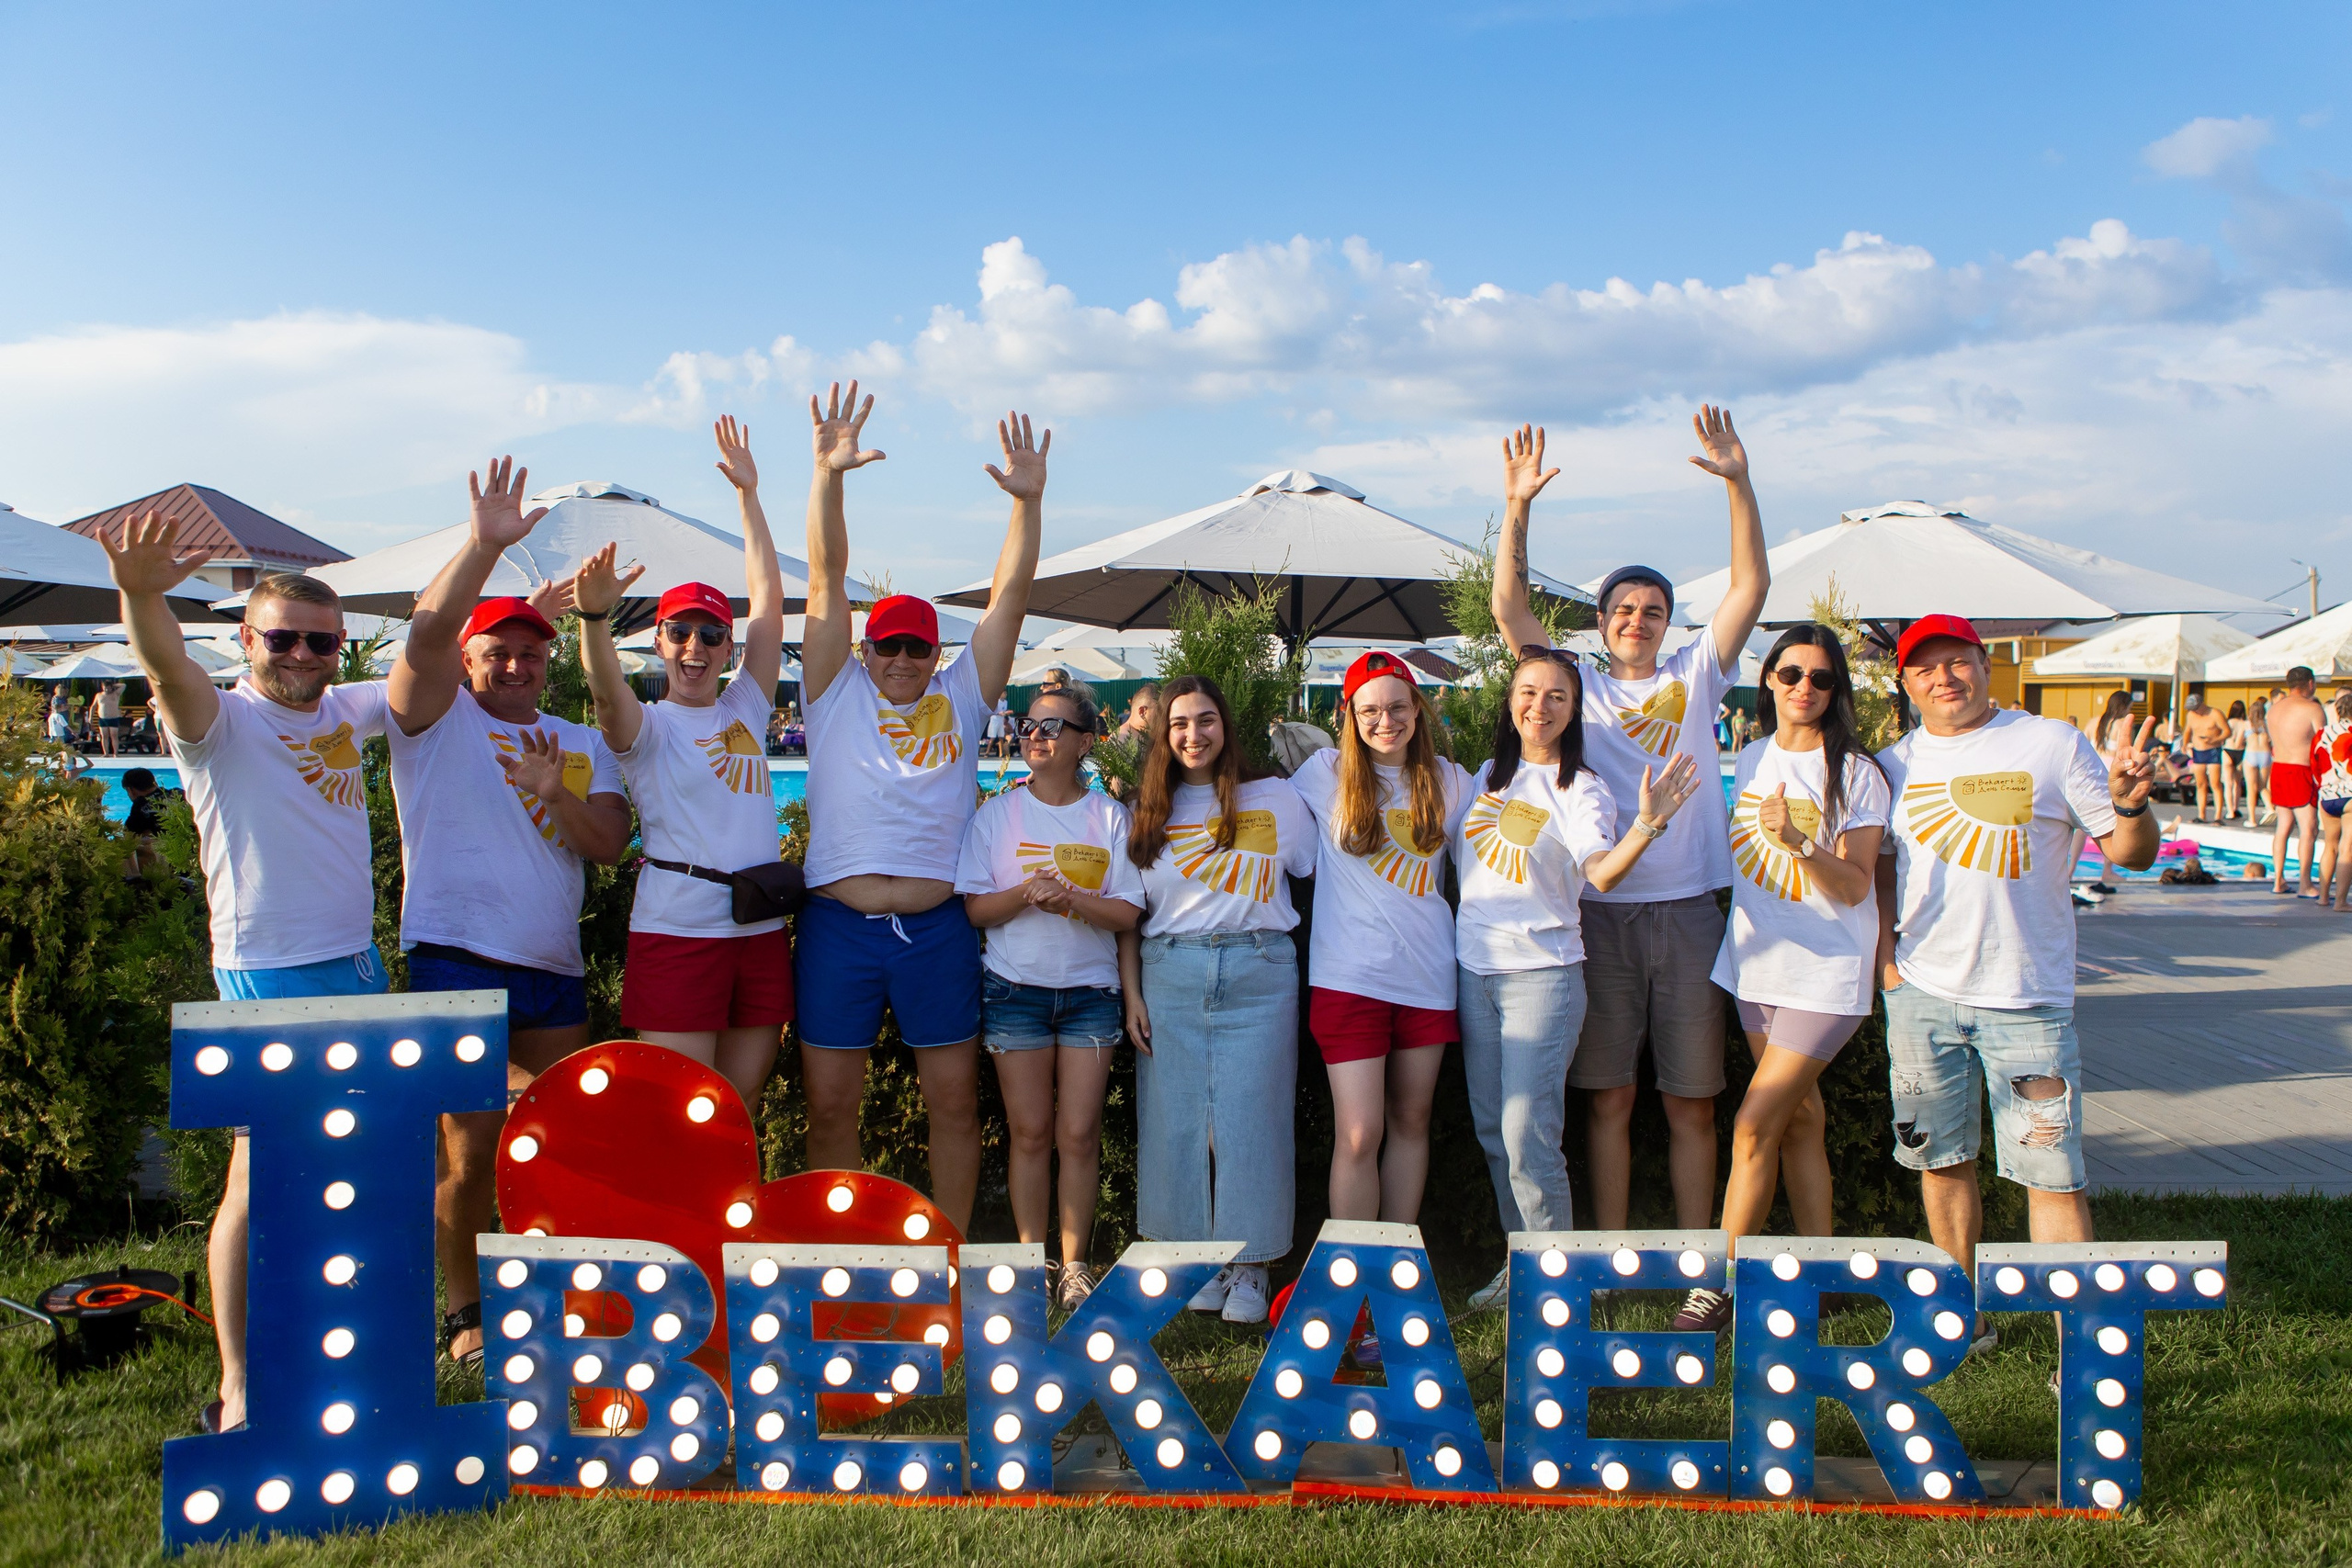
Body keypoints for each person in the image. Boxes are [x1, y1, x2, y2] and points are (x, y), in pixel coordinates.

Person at [103, 518, 395, 1437]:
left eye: (322, 641)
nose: (303, 655)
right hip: (267, 971)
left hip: (358, 962)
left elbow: (431, 665)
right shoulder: (219, 723)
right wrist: (143, 597)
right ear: (247, 641)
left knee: (351, 1167)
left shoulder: (348, 710)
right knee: (258, 1176)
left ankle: (328, 1348)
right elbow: (165, 674)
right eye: (283, 639)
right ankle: (237, 1387)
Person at [1489, 410, 1769, 1233]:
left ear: (1667, 621)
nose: (1637, 620)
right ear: (1601, 619)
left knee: (1692, 1102)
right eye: (1622, 608)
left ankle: (1693, 1256)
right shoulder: (1575, 681)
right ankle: (1608, 1255)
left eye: (1652, 609)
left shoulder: (1697, 671)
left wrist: (1737, 482)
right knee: (1606, 1099)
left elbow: (1751, 587)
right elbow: (1509, 609)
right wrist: (1519, 506)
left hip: (1687, 911)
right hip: (1598, 915)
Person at [385, 457, 634, 1366]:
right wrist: (485, 546)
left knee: (555, 1149)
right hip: (456, 953)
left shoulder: (574, 741)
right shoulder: (429, 719)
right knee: (467, 1154)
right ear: (468, 658)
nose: (518, 664)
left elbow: (605, 845)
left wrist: (550, 794)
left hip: (551, 968)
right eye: (499, 651)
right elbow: (427, 631)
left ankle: (545, 1298)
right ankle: (465, 1314)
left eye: (532, 652)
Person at [791, 385, 1044, 1234]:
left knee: (955, 1107)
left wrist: (1028, 505)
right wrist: (829, 478)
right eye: (888, 644)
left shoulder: (963, 695)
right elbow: (825, 576)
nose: (902, 657)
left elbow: (1008, 599)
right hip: (839, 924)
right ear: (864, 649)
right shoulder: (832, 691)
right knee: (830, 1108)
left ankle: (945, 1263)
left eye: (917, 645)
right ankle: (842, 1261)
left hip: (937, 927)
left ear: (936, 650)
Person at [1873, 614, 2157, 1349]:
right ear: (1905, 683)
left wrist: (2130, 802)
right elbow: (1878, 870)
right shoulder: (1892, 762)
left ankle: (2080, 1346)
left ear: (1985, 665)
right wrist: (1887, 965)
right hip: (1923, 997)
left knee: (2052, 1174)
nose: (1944, 678)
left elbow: (2129, 852)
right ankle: (1962, 1320)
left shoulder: (2049, 743)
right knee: (1940, 1161)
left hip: (2027, 1000)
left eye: (1957, 661)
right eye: (1925, 668)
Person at [1456, 646, 1702, 1309]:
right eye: (1529, 692)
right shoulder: (1486, 775)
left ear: (1574, 709)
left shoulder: (1581, 787)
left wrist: (1648, 823)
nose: (1540, 706)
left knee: (1527, 1134)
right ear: (1510, 701)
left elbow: (1600, 872)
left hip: (1543, 977)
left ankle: (1556, 1279)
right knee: (1492, 1128)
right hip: (1475, 972)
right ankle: (1525, 1263)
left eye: (1557, 696)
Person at [1674, 626, 1889, 1331]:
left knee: (1753, 1124)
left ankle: (1719, 1285)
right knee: (1800, 1120)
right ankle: (1822, 1276)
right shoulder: (1755, 752)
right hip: (1756, 967)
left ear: (1836, 693)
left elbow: (1856, 886)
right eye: (1791, 672)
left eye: (1821, 678)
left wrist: (1801, 843)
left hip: (1826, 973)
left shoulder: (1855, 772)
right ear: (1767, 679)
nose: (1805, 687)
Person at [576, 416, 793, 1105]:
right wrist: (593, 621)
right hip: (679, 930)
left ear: (728, 648)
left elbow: (770, 599)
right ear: (660, 643)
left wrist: (749, 497)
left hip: (758, 925)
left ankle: (724, 1217)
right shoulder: (650, 728)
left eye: (710, 635)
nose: (695, 647)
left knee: (739, 1104)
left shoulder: (747, 707)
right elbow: (607, 696)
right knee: (678, 1110)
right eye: (680, 633)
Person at [1118, 674, 1317, 1324]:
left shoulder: (1276, 797)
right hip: (1169, 969)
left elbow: (1318, 866)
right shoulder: (1148, 808)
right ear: (1162, 732)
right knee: (1174, 1121)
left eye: (1206, 719)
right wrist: (1132, 994)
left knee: (1252, 1121)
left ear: (1225, 726)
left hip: (1261, 967)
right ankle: (1193, 1260)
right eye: (1179, 722)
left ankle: (1251, 1267)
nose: (1193, 734)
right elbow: (1127, 911)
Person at [956, 684, 1145, 1306]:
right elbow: (979, 907)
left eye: (1053, 726)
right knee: (1030, 1132)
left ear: (1085, 742)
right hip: (1015, 992)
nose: (1036, 734)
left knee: (1080, 1132)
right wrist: (1028, 893)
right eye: (1031, 725)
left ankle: (1075, 1262)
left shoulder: (1108, 817)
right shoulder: (997, 814)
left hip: (1090, 994)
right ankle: (1032, 1258)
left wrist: (1070, 900)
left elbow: (1126, 912)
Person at [1286, 651, 1475, 1256]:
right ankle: (1350, 1274)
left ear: (1417, 709)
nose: (1384, 719)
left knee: (1412, 1122)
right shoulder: (1323, 772)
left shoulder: (1451, 780)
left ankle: (1394, 1268)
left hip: (1427, 977)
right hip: (1348, 979)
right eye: (1370, 709)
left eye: (1397, 706)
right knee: (1361, 1132)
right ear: (1351, 714)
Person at [2265, 667, 2326, 897]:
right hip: (2301, 770)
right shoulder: (2312, 709)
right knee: (2309, 829)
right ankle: (2305, 883)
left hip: (2279, 768)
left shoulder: (2274, 709)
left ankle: (2278, 879)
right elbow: (2324, 745)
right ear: (2310, 683)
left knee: (2283, 828)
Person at [2083, 690, 2136, 897]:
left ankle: (2069, 870)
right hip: (2111, 774)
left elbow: (2083, 746)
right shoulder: (2123, 725)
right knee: (2112, 822)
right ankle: (2107, 870)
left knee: (2081, 825)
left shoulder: (2094, 722)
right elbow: (2126, 753)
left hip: (2093, 772)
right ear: (2124, 706)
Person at [2313, 692, 2352, 909]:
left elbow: (2315, 763)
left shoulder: (2323, 733)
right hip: (2350, 796)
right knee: (2348, 848)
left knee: (2330, 846)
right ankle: (2341, 902)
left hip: (2327, 796)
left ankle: (2323, 897)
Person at [120, 764, 178, 879]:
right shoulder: (178, 794)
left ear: (130, 790)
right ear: (155, 783)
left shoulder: (141, 804)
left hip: (170, 862)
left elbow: (129, 835)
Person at [2181, 696, 2228, 823]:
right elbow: (2187, 731)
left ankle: (2218, 816)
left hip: (2213, 750)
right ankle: (2201, 815)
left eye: (2196, 709)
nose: (2195, 712)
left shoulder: (2215, 714)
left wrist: (2215, 740)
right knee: (2200, 784)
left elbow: (2227, 731)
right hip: (2198, 751)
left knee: (2215, 784)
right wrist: (2185, 744)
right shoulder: (2191, 715)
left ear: (2202, 705)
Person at [2245, 696, 2273, 826]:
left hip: (2251, 753)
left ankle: (2252, 819)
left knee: (2251, 788)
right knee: (2262, 785)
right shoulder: (2267, 725)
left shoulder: (2247, 724)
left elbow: (2239, 741)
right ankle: (2270, 807)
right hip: (2265, 754)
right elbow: (2271, 740)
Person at [2223, 700, 2250, 820]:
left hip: (2228, 750)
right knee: (2237, 783)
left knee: (2228, 783)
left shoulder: (2229, 722)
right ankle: (2235, 807)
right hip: (2241, 751)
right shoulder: (2245, 723)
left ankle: (2229, 811)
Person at [93, 679, 124, 756]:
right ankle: (106, 753)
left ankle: (115, 753)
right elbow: (93, 706)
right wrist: (91, 717)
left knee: (114, 736)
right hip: (103, 718)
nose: (106, 689)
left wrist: (113, 685)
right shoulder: (99, 695)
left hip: (113, 718)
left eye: (108, 687)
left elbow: (124, 685)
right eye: (105, 687)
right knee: (104, 736)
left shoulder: (116, 694)